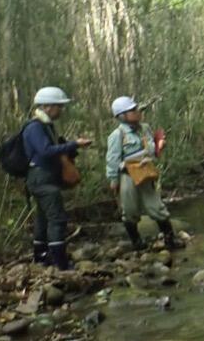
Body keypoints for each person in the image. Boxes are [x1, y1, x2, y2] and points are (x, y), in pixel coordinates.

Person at [23, 87, 93, 270]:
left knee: (44, 217)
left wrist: (71, 148)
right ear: (47, 107)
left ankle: (41, 256)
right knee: (57, 218)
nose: (61, 110)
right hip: (40, 178)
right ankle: (60, 262)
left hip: (45, 178)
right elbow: (45, 151)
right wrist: (73, 144)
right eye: (58, 106)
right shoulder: (35, 127)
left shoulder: (46, 127)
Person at [105, 96, 177, 251]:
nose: (137, 112)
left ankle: (170, 239)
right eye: (132, 110)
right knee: (130, 211)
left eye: (136, 109)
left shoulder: (145, 128)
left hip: (145, 172)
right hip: (127, 176)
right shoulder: (117, 135)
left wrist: (159, 147)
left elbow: (151, 150)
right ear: (122, 116)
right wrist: (113, 180)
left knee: (156, 207)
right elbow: (112, 160)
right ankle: (137, 243)